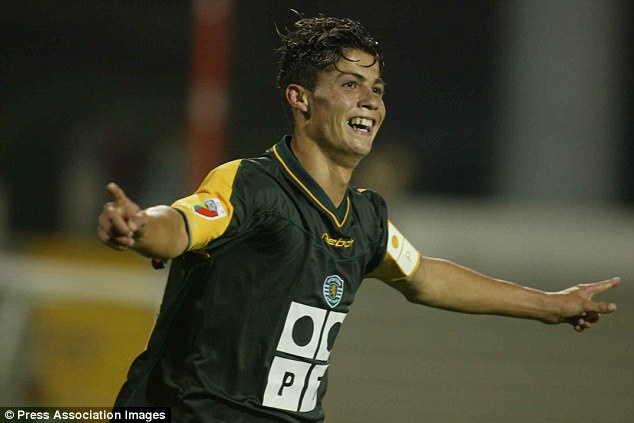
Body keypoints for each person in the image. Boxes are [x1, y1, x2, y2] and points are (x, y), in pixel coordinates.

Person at [97, 13, 620, 423]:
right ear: (301, 99)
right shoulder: (252, 185)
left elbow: (425, 276)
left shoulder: (364, 218)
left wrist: (549, 305)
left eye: (377, 88)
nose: (371, 100)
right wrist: (140, 228)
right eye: (351, 84)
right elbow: (181, 225)